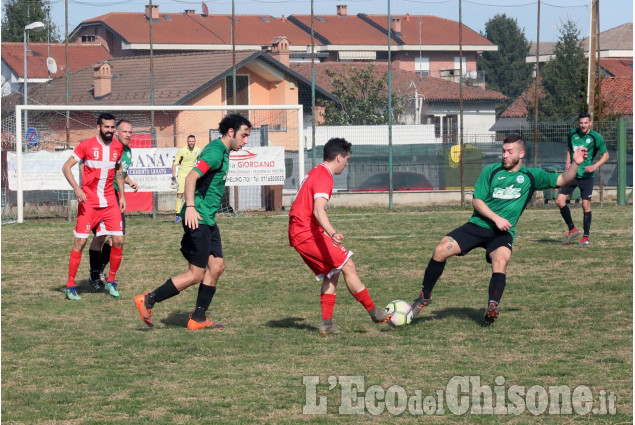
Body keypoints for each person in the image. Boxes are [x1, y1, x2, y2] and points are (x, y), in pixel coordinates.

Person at [410, 135, 588, 326]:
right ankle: (424, 296)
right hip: (478, 226)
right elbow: (477, 200)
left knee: (501, 260)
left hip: (502, 234)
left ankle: (492, 308)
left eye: (509, 151)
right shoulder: (491, 171)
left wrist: (576, 164)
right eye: (503, 151)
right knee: (441, 249)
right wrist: (496, 218)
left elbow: (562, 179)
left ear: (521, 153)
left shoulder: (531, 176)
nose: (504, 155)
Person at [134, 114, 251, 330]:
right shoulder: (216, 151)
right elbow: (191, 177)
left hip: (208, 219)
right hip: (197, 217)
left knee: (216, 266)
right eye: (244, 136)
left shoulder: (223, 152)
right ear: (231, 132)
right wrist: (189, 207)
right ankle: (148, 300)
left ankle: (198, 318)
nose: (245, 141)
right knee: (196, 273)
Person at [288, 138, 391, 334]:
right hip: (305, 232)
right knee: (348, 265)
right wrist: (332, 232)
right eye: (347, 159)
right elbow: (319, 210)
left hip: (303, 230)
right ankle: (374, 312)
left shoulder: (316, 171)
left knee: (333, 272)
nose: (347, 163)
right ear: (338, 157)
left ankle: (327, 325)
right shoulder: (324, 176)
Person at [61, 113, 126, 301]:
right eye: (107, 127)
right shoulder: (86, 145)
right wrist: (76, 188)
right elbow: (66, 167)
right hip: (88, 202)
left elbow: (119, 170)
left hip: (110, 202)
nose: (110, 131)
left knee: (119, 240)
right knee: (80, 243)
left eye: (113, 127)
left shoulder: (118, 147)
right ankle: (70, 285)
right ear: (98, 127)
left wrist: (121, 195)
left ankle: (111, 281)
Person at [87, 119, 139, 295]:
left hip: (116, 198)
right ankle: (95, 276)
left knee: (118, 238)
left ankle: (100, 268)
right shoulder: (110, 148)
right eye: (125, 132)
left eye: (130, 132)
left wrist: (129, 182)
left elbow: (120, 173)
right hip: (102, 197)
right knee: (100, 236)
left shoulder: (128, 152)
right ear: (116, 132)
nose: (128, 135)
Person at [556, 112, 609, 247]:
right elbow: (569, 148)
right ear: (578, 123)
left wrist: (595, 165)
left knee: (585, 205)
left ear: (590, 123)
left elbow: (606, 155)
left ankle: (586, 237)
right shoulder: (572, 133)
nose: (583, 125)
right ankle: (572, 229)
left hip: (586, 176)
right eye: (581, 123)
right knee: (559, 201)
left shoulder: (596, 137)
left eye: (585, 123)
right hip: (572, 174)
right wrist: (567, 162)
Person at [171, 135, 202, 223]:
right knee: (180, 194)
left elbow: (201, 162)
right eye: (190, 141)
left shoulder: (198, 150)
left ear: (195, 142)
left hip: (192, 175)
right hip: (182, 175)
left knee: (193, 195)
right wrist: (173, 177)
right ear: (187, 142)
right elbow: (174, 163)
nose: (191, 143)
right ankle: (177, 215)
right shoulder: (182, 151)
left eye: (193, 141)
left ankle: (193, 213)